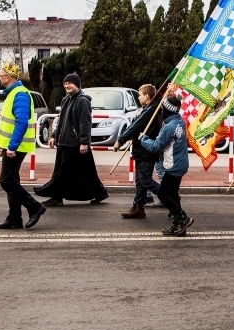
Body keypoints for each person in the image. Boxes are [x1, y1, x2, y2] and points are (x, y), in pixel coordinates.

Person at [35, 73, 108, 207]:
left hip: (74, 144)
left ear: (77, 85)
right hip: (64, 142)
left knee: (62, 172)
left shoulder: (82, 101)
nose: (67, 86)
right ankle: (100, 192)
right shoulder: (65, 100)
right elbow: (62, 120)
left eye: (70, 83)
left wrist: (84, 142)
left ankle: (56, 197)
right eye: (65, 83)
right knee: (86, 172)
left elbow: (85, 123)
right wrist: (54, 136)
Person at [0, 62, 47, 230]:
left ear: (8, 77)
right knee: (12, 180)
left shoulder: (20, 94)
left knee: (7, 181)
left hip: (16, 146)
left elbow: (21, 122)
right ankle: (14, 218)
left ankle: (34, 207)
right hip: (12, 145)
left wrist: (12, 146)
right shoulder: (14, 93)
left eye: (1, 75)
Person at [139, 93, 193, 236]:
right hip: (181, 164)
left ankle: (182, 217)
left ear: (167, 109)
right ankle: (177, 225)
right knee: (173, 195)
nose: (161, 111)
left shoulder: (169, 127)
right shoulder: (179, 122)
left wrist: (143, 139)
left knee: (163, 194)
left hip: (173, 166)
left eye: (163, 109)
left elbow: (156, 146)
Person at [114, 84, 162, 218]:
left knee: (145, 180)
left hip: (147, 150)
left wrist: (121, 139)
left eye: (140, 95)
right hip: (141, 150)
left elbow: (136, 126)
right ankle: (138, 207)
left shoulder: (151, 110)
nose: (138, 98)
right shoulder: (147, 109)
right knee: (140, 181)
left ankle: (168, 195)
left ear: (147, 96)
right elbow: (137, 125)